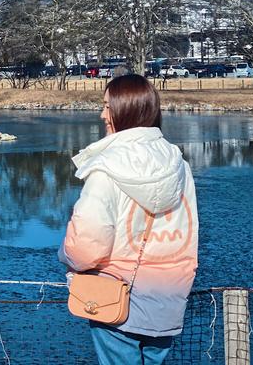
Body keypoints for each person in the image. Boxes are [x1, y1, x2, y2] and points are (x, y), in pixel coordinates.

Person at [59, 74, 198, 365]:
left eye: (107, 107)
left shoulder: (106, 167)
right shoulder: (179, 165)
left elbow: (86, 246)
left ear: (125, 110)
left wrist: (65, 255)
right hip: (168, 297)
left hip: (115, 297)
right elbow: (187, 233)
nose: (102, 115)